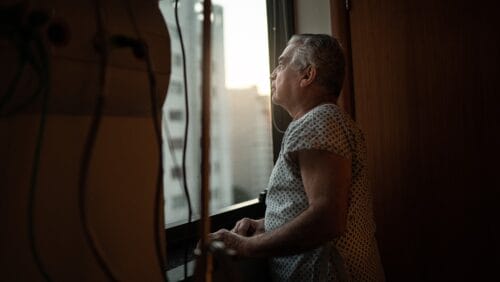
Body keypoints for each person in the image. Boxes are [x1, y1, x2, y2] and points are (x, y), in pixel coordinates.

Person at [209, 34, 385, 281]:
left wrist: (244, 246)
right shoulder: (325, 120)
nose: (273, 73)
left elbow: (327, 219)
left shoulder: (318, 121)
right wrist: (265, 224)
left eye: (281, 64)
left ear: (307, 75)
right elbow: (305, 205)